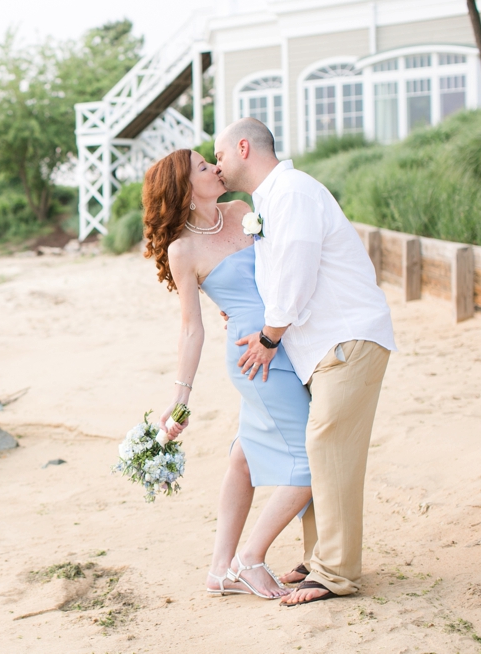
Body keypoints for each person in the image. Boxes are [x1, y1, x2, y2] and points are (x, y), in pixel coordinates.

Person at [213, 118, 396, 606]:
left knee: (328, 446)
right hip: (323, 345)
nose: (217, 164)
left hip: (347, 337)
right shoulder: (272, 199)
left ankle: (335, 571)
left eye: (220, 153)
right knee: (319, 449)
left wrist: (269, 339)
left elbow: (296, 271)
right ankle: (320, 557)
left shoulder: (291, 191)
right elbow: (275, 276)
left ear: (244, 147)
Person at [143, 149, 313, 600]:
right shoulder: (183, 249)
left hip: (286, 341)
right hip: (254, 359)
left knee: (244, 455)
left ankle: (220, 569)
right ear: (184, 187)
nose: (216, 169)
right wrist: (180, 400)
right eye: (204, 167)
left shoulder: (241, 210)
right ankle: (249, 560)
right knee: (311, 459)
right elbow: (191, 328)